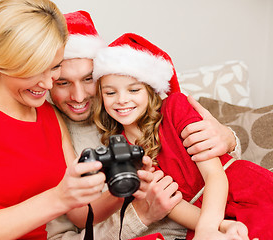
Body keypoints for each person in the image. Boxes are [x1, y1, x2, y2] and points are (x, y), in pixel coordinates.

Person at [0, 1, 124, 239]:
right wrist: (57, 198)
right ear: (1, 63)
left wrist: (124, 189)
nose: (47, 83)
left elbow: (78, 214)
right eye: (34, 70)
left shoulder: (49, 115)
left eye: (54, 68)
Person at [47, 11, 244, 240]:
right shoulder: (50, 133)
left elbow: (204, 164)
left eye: (89, 79)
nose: (79, 96)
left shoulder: (131, 119)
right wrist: (139, 215)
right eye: (63, 82)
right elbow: (68, 231)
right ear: (47, 81)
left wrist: (229, 139)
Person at [92, 32, 273, 240]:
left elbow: (214, 176)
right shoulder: (121, 148)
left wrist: (207, 228)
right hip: (201, 216)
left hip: (241, 190)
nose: (122, 100)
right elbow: (172, 204)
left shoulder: (175, 107)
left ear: (150, 90)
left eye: (133, 90)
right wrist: (220, 227)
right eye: (110, 93)